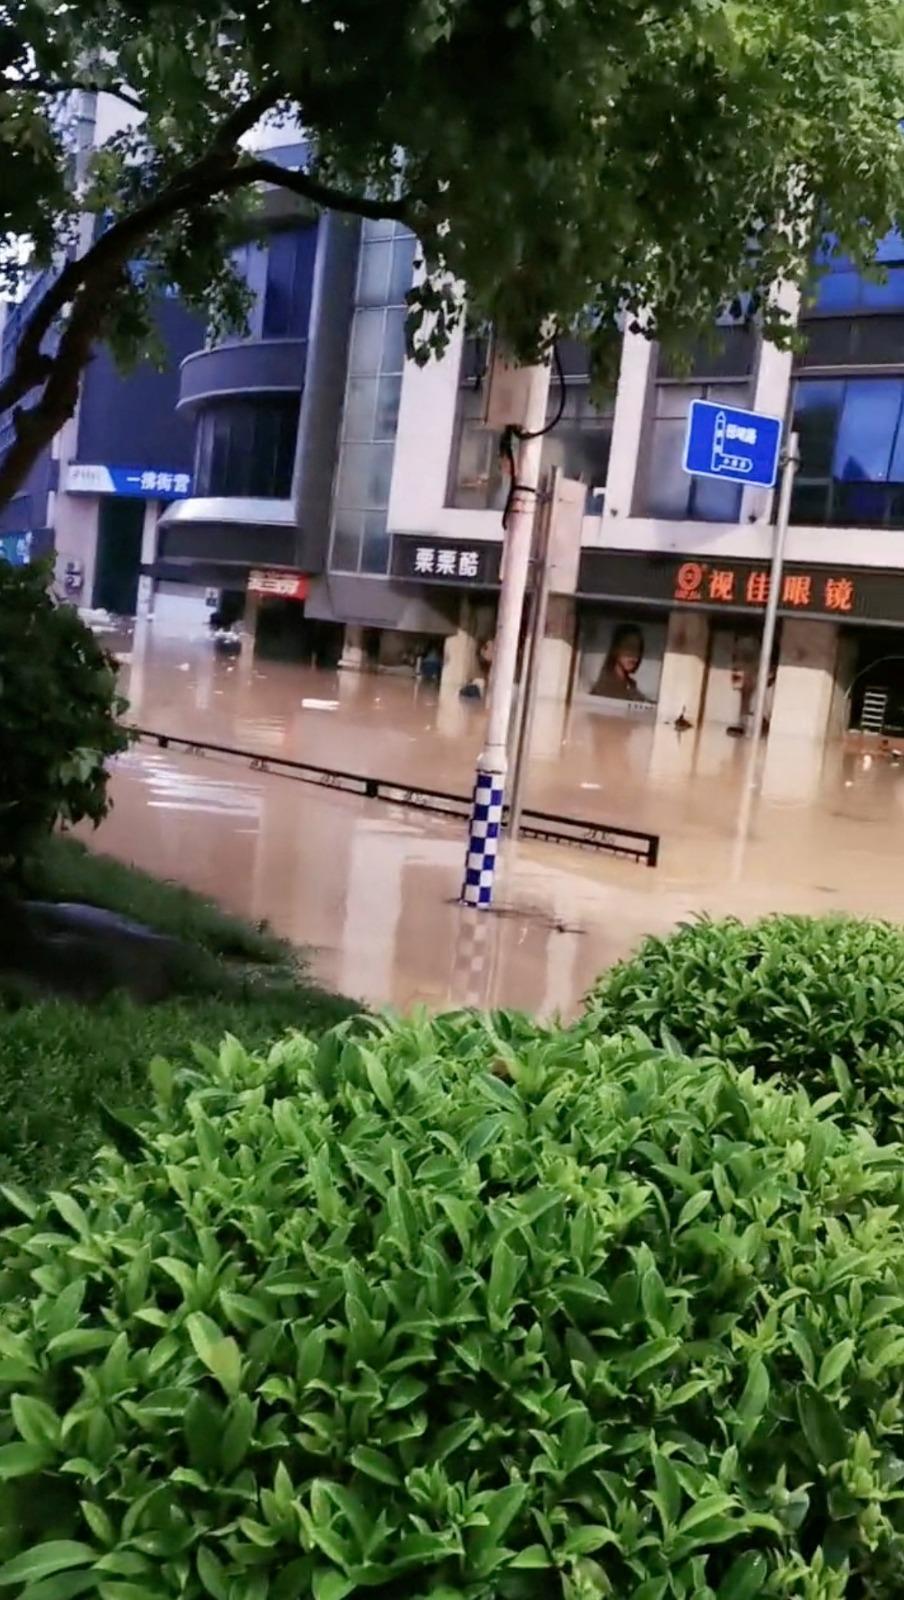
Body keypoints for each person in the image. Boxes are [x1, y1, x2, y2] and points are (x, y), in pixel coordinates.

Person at [592, 623, 649, 702]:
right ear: (616, 649)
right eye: (629, 648)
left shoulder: (631, 687)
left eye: (637, 650)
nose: (633, 656)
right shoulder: (604, 687)